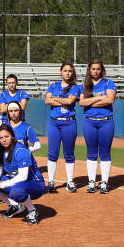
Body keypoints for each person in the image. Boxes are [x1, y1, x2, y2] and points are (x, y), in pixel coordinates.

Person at [0, 124, 45, 225]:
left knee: (16, 192)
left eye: (6, 136)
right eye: (1, 138)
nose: (4, 140)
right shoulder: (1, 151)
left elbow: (23, 176)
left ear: (13, 137)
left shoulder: (21, 151)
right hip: (16, 181)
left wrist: (1, 184)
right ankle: (15, 205)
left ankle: (32, 210)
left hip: (34, 183)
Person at [79, 59, 116, 194]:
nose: (96, 71)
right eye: (93, 69)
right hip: (89, 121)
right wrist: (100, 99)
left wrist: (90, 101)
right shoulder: (85, 85)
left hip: (106, 121)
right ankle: (92, 182)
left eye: (98, 69)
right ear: (89, 70)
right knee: (91, 152)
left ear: (102, 70)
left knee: (105, 152)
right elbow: (81, 103)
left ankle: (105, 182)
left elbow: (110, 99)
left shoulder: (108, 83)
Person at [44, 62, 81, 192]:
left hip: (69, 122)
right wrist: (62, 99)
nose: (67, 73)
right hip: (54, 122)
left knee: (69, 153)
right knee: (52, 153)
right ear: (61, 71)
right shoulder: (53, 85)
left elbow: (70, 101)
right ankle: (51, 181)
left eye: (70, 71)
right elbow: (47, 100)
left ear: (72, 72)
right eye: (65, 70)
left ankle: (70, 181)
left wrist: (56, 98)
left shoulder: (75, 87)